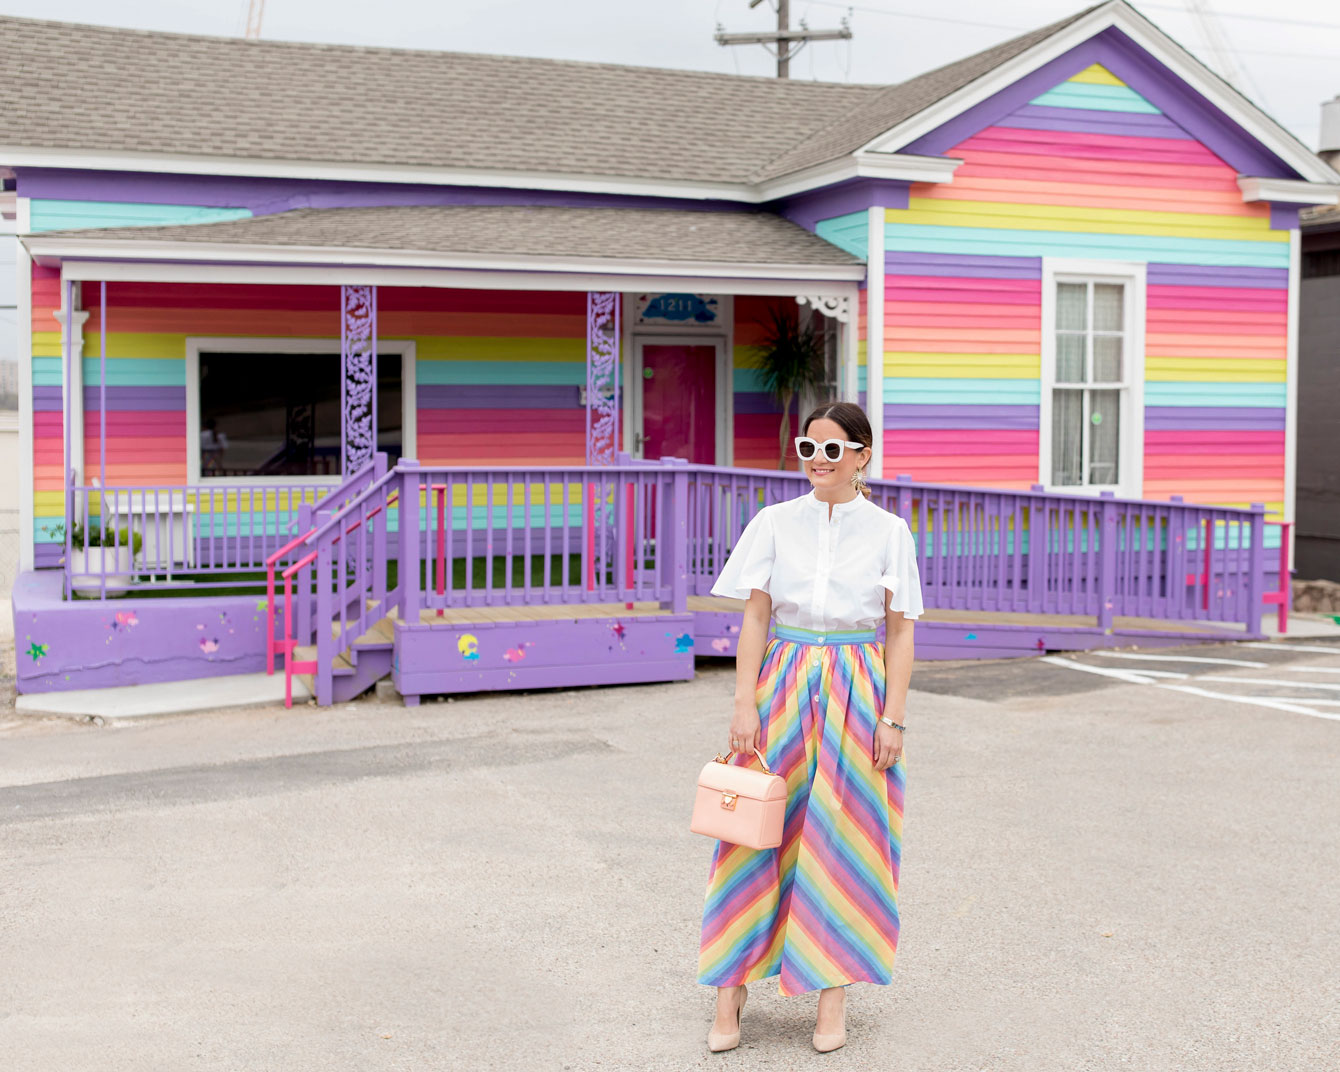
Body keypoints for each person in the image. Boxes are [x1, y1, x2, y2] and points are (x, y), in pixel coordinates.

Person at [698, 401, 924, 1054]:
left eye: (832, 450)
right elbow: (755, 619)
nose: (818, 462)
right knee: (752, 829)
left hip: (857, 685)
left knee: (842, 836)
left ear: (862, 456)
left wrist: (894, 717)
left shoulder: (889, 532)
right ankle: (730, 985)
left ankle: (831, 994)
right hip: (785, 681)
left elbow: (901, 630)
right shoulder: (773, 523)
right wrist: (744, 703)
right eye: (807, 448)